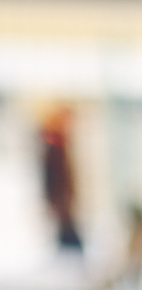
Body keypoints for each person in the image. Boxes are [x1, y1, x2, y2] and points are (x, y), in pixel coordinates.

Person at [40, 105, 83, 253]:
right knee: (69, 240)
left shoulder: (61, 143)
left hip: (64, 200)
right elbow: (51, 177)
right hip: (61, 200)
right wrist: (57, 200)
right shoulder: (54, 145)